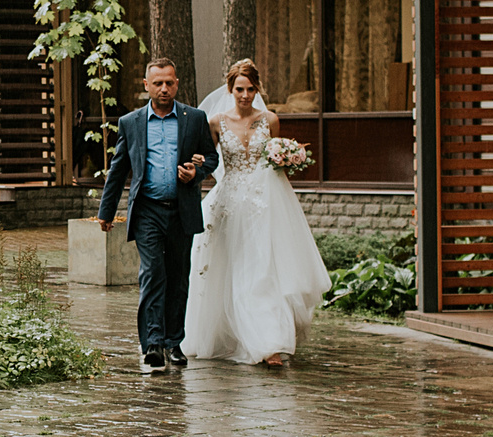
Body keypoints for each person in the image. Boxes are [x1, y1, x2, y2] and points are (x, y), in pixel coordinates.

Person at [184, 58, 331, 367]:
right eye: (240, 89)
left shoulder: (271, 120)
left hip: (266, 201)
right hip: (230, 202)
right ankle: (233, 334)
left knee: (264, 270)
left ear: (257, 89)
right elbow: (211, 162)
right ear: (230, 89)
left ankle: (270, 343)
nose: (245, 95)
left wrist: (286, 159)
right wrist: (198, 164)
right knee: (233, 269)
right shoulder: (215, 122)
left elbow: (275, 160)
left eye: (251, 89)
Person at [95, 55, 217, 374]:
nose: (164, 88)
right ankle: (152, 343)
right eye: (158, 83)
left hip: (182, 210)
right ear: (146, 85)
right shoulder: (131, 122)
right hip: (147, 209)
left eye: (170, 82)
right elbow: (118, 168)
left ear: (177, 83)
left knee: (178, 277)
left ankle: (174, 342)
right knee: (152, 273)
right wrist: (105, 212)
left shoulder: (195, 118)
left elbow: (212, 157)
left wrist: (198, 170)